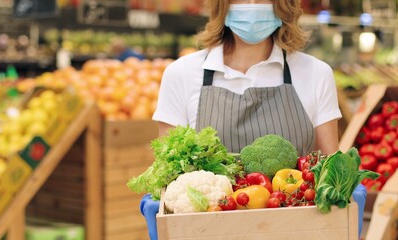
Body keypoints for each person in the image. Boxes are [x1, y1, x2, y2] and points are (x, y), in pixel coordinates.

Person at [140, 0, 367, 239]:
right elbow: (167, 169)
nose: (252, 4)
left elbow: (328, 167)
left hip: (297, 230)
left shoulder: (315, 73)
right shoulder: (182, 74)